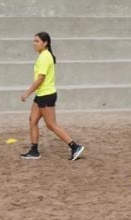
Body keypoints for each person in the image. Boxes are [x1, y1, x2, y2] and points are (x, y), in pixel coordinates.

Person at [19, 32, 85, 161]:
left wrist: (27, 93)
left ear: (45, 43)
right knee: (32, 120)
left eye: (37, 41)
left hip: (46, 95)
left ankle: (74, 146)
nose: (34, 43)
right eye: (34, 41)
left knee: (51, 125)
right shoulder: (44, 55)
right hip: (41, 95)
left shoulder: (44, 57)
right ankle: (34, 150)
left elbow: (40, 79)